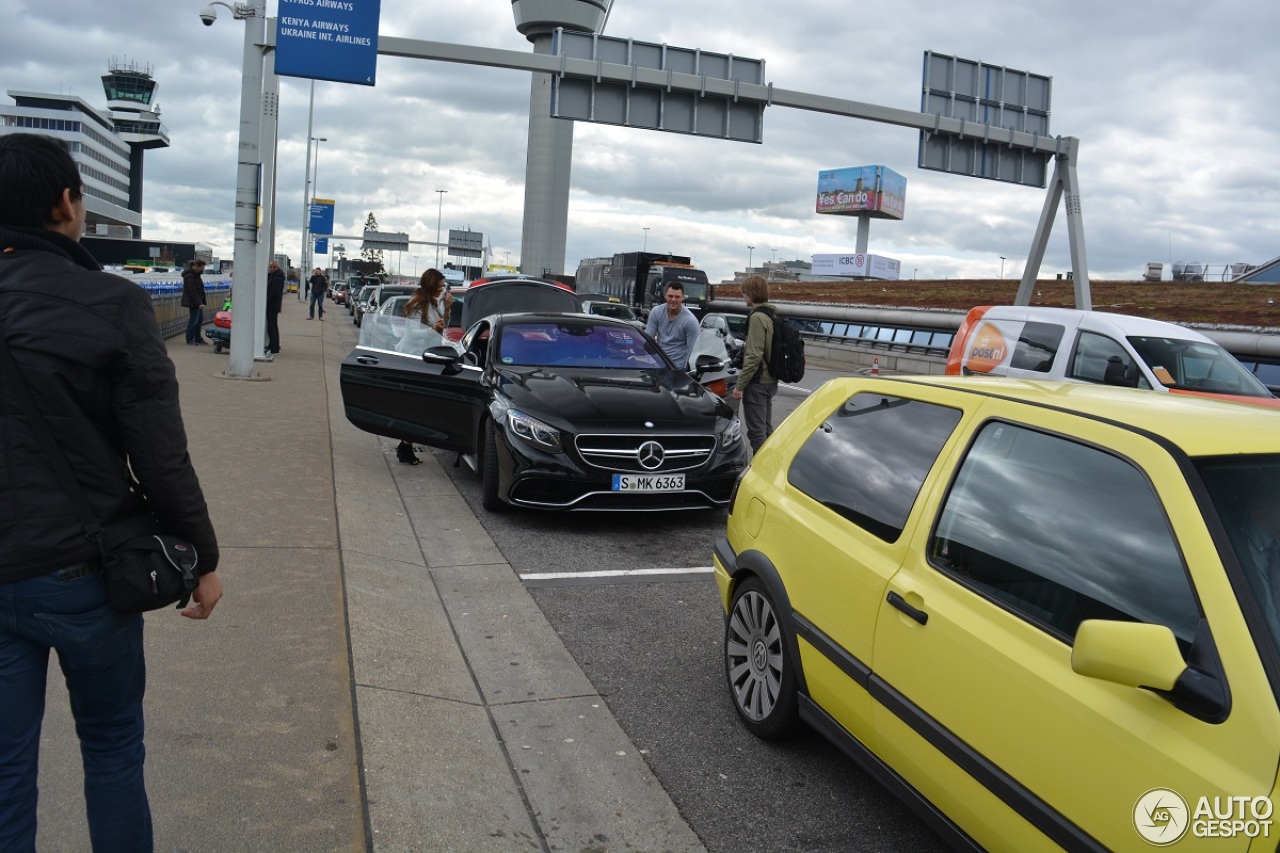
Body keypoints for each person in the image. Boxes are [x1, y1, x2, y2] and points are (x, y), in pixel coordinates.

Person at [0, 133, 223, 852]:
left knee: (4, 773)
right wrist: (202, 556)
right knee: (113, 747)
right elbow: (160, 454)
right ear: (66, 203)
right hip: (84, 569)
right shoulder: (110, 301)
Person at [395, 269, 454, 465]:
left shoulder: (432, 303)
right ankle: (405, 448)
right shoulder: (418, 304)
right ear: (431, 284)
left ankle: (405, 447)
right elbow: (412, 334)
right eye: (441, 285)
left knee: (417, 406)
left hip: (424, 358)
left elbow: (442, 327)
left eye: (444, 286)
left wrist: (446, 310)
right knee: (414, 406)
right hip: (411, 358)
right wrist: (432, 330)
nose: (443, 289)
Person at [732, 273, 778, 453]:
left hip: (758, 383)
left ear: (751, 293)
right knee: (766, 430)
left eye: (744, 293)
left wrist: (740, 385)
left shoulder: (757, 317)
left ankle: (763, 472)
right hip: (769, 381)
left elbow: (753, 355)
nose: (743, 296)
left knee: (757, 434)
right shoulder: (770, 314)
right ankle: (773, 466)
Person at [644, 280, 700, 370]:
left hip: (678, 369)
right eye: (670, 296)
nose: (673, 300)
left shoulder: (690, 321)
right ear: (665, 295)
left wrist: (686, 373)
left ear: (683, 297)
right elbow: (648, 339)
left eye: (677, 297)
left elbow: (693, 352)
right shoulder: (656, 312)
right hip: (658, 365)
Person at [181, 257, 208, 345]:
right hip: (193, 302)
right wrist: (199, 303)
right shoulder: (189, 276)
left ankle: (198, 338)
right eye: (201, 268)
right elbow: (192, 291)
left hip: (197, 301)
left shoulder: (196, 275)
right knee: (194, 320)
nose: (202, 270)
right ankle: (190, 339)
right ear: (196, 266)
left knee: (199, 320)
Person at [265, 260, 284, 354]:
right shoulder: (275, 276)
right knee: (272, 326)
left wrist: (266, 300)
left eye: (274, 267)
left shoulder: (277, 278)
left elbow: (275, 292)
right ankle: (274, 345)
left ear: (277, 268)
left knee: (272, 326)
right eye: (271, 267)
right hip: (274, 305)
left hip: (272, 305)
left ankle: (273, 346)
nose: (272, 269)